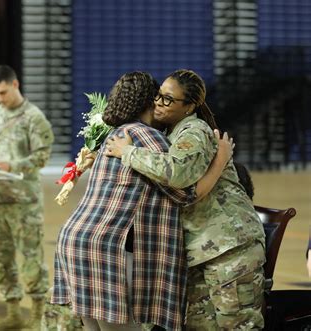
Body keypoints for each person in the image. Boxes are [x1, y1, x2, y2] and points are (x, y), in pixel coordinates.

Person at [52, 71, 231, 331]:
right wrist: (221, 161)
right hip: (105, 247)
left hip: (75, 241)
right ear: (150, 101)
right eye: (158, 97)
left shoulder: (115, 135)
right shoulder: (148, 138)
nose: (161, 103)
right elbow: (187, 194)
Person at [105, 69, 266, 330]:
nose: (158, 103)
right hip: (200, 250)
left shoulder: (194, 130)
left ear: (189, 106)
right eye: (158, 96)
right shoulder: (170, 133)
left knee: (237, 325)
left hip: (229, 247)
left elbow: (177, 173)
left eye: (169, 99)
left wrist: (128, 152)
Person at [0, 64, 54, 330]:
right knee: (1, 257)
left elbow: (42, 156)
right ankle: (13, 311)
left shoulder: (34, 117)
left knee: (31, 256)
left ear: (15, 84)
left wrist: (13, 166)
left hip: (24, 201)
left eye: (2, 93)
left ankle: (37, 311)